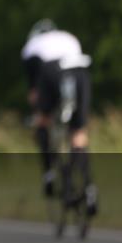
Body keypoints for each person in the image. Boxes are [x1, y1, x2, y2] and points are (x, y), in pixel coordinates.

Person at [21, 19, 97, 215]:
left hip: (52, 71)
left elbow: (33, 92)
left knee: (43, 121)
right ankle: (89, 189)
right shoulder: (68, 37)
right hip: (80, 71)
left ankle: (49, 174)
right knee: (79, 134)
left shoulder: (31, 46)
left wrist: (38, 112)